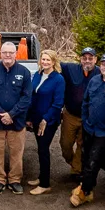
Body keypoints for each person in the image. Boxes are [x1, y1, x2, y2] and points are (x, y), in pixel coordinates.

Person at [70, 53, 105, 208]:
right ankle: (87, 186)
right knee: (85, 158)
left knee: (93, 161)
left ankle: (85, 192)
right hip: (90, 128)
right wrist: (85, 120)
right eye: (103, 64)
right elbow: (86, 102)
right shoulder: (94, 80)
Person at [0, 38, 33, 193]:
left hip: (16, 121)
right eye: (4, 52)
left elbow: (26, 97)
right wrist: (0, 113)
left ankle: (15, 180)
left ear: (16, 54)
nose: (7, 55)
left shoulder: (24, 72)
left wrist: (11, 114)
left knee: (16, 152)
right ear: (0, 53)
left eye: (11, 52)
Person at [27, 49, 65, 195]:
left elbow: (58, 103)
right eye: (43, 59)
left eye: (48, 60)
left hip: (48, 121)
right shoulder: (37, 74)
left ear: (54, 62)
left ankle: (45, 184)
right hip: (36, 118)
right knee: (40, 148)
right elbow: (33, 97)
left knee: (43, 150)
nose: (45, 62)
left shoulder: (58, 79)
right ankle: (41, 176)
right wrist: (30, 118)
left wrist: (45, 119)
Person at [59, 47, 97, 177]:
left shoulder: (100, 73)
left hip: (88, 117)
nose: (87, 61)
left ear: (95, 59)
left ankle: (76, 170)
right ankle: (73, 162)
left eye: (90, 58)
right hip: (70, 114)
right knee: (65, 144)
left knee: (82, 144)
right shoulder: (70, 69)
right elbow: (55, 62)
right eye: (84, 58)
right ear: (80, 59)